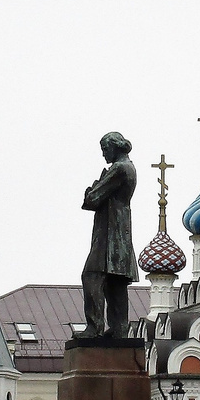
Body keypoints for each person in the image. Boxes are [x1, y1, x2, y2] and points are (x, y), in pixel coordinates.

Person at [79, 132, 138, 339]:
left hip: (110, 233)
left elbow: (92, 199)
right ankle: (119, 329)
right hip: (120, 231)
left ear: (115, 148)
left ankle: (94, 327)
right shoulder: (129, 167)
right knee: (116, 283)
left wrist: (92, 188)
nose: (104, 154)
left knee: (91, 276)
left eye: (105, 150)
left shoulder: (119, 169)